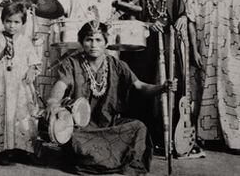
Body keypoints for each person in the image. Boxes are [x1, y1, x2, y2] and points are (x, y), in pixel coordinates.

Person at [46, 21, 175, 175]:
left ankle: (100, 161)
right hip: (81, 129)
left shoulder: (117, 65)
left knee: (139, 128)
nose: (93, 44)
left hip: (110, 124)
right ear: (81, 42)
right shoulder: (71, 63)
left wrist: (162, 88)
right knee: (73, 139)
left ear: (106, 42)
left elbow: (140, 86)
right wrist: (53, 102)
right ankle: (105, 161)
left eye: (98, 40)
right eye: (89, 39)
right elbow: (60, 86)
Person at [120, 0, 186, 153]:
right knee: (144, 88)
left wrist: (183, 18)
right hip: (142, 49)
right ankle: (144, 139)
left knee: (169, 85)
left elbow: (180, 13)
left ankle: (168, 137)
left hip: (167, 46)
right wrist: (146, 25)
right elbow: (126, 19)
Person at [186, 0, 240, 153]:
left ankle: (234, 137)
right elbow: (190, 21)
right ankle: (206, 136)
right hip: (205, 48)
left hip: (230, 50)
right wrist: (194, 49)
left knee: (231, 88)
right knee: (204, 86)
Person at [0, 2, 41, 165]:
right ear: (3, 21)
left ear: (23, 23)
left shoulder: (25, 41)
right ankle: (3, 149)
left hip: (20, 84)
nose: (12, 26)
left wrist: (32, 70)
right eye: (8, 21)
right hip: (1, 82)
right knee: (2, 113)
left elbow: (33, 60)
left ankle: (23, 148)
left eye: (17, 22)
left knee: (21, 115)